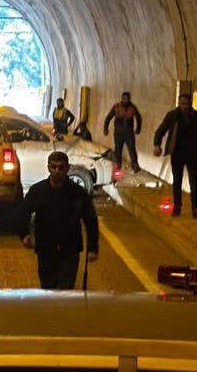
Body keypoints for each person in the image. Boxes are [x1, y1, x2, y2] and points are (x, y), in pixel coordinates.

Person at [20, 151, 99, 290]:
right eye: (54, 167)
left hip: (70, 249)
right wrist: (24, 234)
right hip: (45, 249)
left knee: (66, 291)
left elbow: (90, 220)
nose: (57, 171)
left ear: (67, 168)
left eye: (61, 167)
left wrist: (93, 248)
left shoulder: (77, 193)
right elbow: (23, 212)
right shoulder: (38, 191)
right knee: (47, 289)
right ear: (48, 168)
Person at [153, 94, 197, 219]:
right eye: (182, 103)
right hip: (177, 152)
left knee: (193, 181)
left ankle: (195, 207)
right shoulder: (172, 115)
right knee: (177, 180)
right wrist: (157, 144)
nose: (184, 106)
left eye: (186, 103)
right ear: (178, 104)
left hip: (192, 152)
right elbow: (161, 130)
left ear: (190, 104)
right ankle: (177, 207)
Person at [103, 92, 142, 172]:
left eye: (127, 98)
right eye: (124, 98)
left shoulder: (133, 108)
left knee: (132, 149)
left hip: (129, 133)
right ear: (121, 98)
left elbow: (139, 118)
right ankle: (117, 166)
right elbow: (108, 117)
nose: (125, 100)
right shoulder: (117, 107)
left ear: (129, 99)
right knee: (118, 150)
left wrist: (138, 128)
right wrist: (105, 128)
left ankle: (135, 165)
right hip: (118, 133)